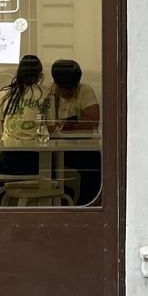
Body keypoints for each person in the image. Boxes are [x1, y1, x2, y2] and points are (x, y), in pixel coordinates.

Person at [50, 58, 102, 205]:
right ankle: (60, 197)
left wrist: (64, 124)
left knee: (94, 166)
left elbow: (92, 120)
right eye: (64, 88)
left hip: (80, 147)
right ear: (56, 83)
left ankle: (87, 204)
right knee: (43, 166)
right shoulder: (48, 91)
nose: (67, 91)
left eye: (71, 87)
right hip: (53, 148)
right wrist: (76, 122)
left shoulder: (85, 90)